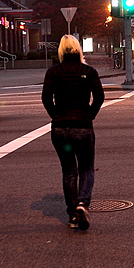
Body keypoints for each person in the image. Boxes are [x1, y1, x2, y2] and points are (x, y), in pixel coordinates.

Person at [41, 35, 104, 230]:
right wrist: (89, 115)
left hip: (60, 129)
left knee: (69, 171)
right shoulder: (89, 71)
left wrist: (56, 116)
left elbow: (46, 98)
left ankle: (72, 216)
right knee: (86, 168)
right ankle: (82, 204)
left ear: (60, 51)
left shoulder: (53, 72)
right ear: (79, 50)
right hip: (82, 127)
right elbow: (99, 97)